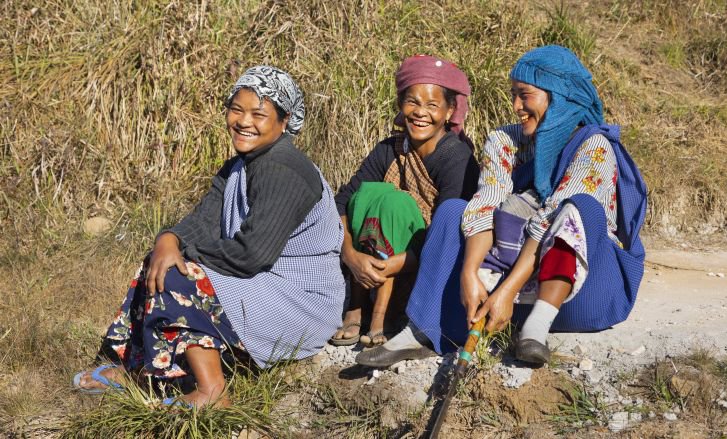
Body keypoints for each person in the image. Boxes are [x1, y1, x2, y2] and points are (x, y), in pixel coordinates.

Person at [357, 45, 647, 367]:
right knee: (454, 210)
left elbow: (550, 218)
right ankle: (421, 331)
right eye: (513, 95)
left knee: (578, 207)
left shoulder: (594, 146)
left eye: (525, 95)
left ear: (558, 97)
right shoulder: (505, 140)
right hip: (500, 292)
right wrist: (469, 274)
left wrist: (508, 292)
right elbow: (486, 203)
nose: (516, 106)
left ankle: (535, 331)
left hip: (573, 296)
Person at [72, 66, 345, 407]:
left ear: (284, 120)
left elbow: (252, 254)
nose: (244, 121)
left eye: (258, 114)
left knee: (180, 277)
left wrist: (185, 257)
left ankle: (211, 392)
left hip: (299, 301)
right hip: (265, 282)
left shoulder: (283, 169)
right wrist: (169, 239)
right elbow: (203, 221)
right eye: (237, 110)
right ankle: (139, 369)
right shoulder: (241, 165)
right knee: (160, 261)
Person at [329, 55, 479, 347]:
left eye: (432, 105)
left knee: (395, 204)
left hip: (421, 261)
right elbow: (342, 203)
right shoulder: (389, 150)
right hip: (367, 263)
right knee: (367, 194)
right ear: (400, 104)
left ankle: (384, 312)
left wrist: (394, 263)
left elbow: (449, 232)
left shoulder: (456, 158)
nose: (420, 113)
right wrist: (351, 255)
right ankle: (357, 304)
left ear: (449, 111)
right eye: (412, 102)